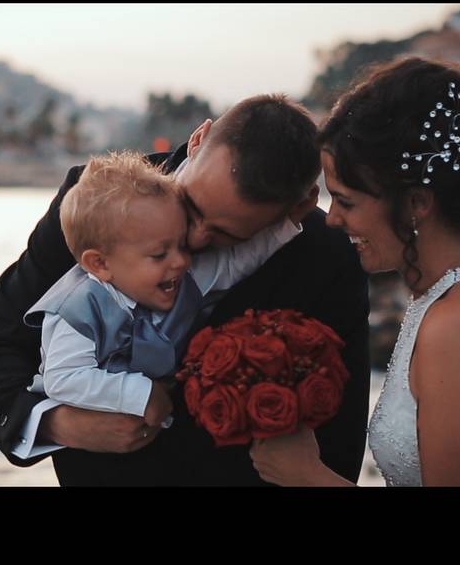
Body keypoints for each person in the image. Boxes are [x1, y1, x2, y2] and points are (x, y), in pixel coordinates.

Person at [0, 94, 372, 486]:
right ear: (198, 140)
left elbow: (338, 439)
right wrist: (61, 424)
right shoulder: (92, 204)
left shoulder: (327, 255)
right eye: (190, 208)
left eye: (226, 234)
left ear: (295, 209)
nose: (193, 240)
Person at [250, 57, 460, 487]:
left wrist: (307, 476)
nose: (332, 220)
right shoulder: (446, 300)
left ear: (415, 204)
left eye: (346, 202)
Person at [24, 151, 300, 432]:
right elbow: (64, 378)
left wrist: (285, 224)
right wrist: (141, 394)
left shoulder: (180, 279)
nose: (181, 261)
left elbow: (233, 264)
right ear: (100, 263)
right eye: (159, 254)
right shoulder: (77, 311)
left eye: (182, 245)